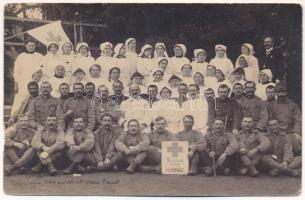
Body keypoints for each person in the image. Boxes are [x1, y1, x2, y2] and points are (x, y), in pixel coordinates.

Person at [267, 82, 302, 156]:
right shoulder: (271, 105)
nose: (281, 94)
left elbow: (298, 120)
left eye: (283, 92)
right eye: (279, 92)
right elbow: (270, 120)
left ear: (286, 92)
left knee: (297, 141)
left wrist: (296, 131)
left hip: (290, 131)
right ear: (275, 93)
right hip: (276, 131)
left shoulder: (293, 104)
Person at [11, 40, 43, 115]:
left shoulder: (39, 56)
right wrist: (16, 83)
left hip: (36, 80)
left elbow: (42, 67)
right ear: (26, 46)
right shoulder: (21, 56)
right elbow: (16, 71)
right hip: (23, 80)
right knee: (22, 97)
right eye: (29, 45)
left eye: (33, 46)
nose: (31, 47)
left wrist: (37, 75)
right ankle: (16, 115)